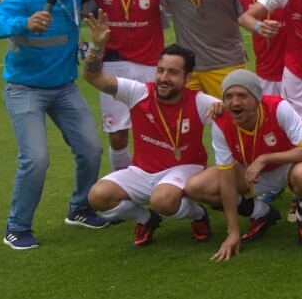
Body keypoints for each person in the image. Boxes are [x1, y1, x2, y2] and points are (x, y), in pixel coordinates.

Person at [0, 0, 108, 250]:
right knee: (36, 159)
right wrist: (23, 23)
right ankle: (16, 227)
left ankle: (80, 208)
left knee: (90, 149)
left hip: (64, 88)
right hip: (25, 90)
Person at [82, 14, 220, 247]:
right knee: (97, 196)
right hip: (142, 172)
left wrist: (224, 106)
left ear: (187, 78)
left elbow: (240, 114)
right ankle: (145, 219)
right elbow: (92, 76)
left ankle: (197, 215)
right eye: (161, 70)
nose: (164, 78)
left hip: (184, 168)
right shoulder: (138, 92)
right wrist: (97, 46)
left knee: (163, 200)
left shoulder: (200, 101)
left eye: (173, 73)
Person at [183, 69, 302, 259]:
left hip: (288, 167)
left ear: (257, 98)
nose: (235, 102)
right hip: (250, 174)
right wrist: (233, 231)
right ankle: (261, 213)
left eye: (242, 95)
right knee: (196, 187)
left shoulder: (277, 107)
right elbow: (226, 179)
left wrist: (265, 158)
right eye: (229, 96)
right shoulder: (221, 122)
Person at [95, 0, 165, 172]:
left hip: (151, 65)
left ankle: (160, 180)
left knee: (156, 130)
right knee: (117, 135)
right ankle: (122, 186)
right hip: (113, 64)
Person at [236, 0, 288, 97]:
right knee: (267, 118)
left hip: (294, 71)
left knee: (297, 119)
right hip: (265, 72)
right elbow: (242, 19)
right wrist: (258, 26)